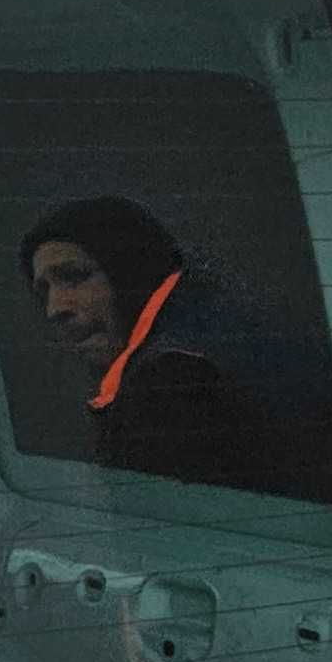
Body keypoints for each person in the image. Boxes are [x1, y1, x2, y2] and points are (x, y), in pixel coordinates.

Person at [17, 195, 273, 494]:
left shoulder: (174, 383)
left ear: (129, 271)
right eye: (43, 291)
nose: (55, 308)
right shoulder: (213, 332)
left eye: (74, 277)